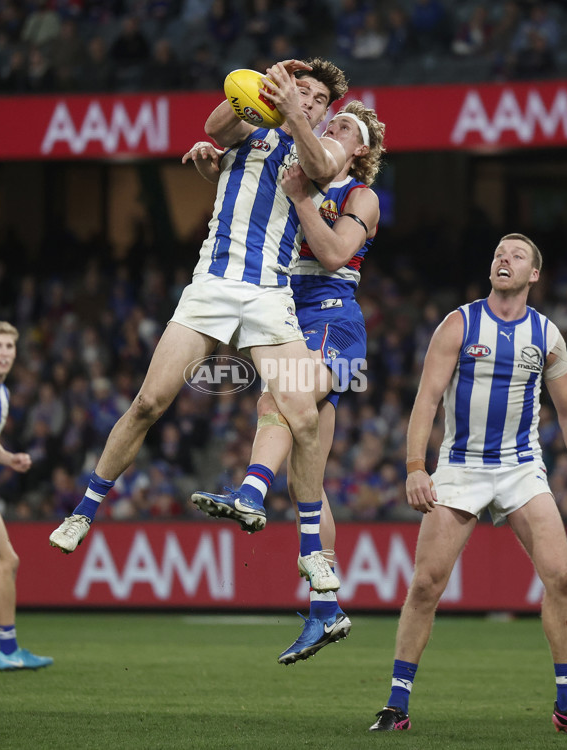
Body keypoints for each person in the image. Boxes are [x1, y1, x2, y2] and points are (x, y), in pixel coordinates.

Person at [49, 58, 349, 595]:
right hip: (210, 285)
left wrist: (293, 112)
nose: (305, 100)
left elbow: (320, 168)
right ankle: (84, 510)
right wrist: (263, 86)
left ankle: (311, 552)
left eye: (318, 99)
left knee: (303, 419)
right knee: (148, 402)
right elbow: (215, 127)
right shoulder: (252, 125)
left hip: (267, 293)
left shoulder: (324, 150)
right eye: (299, 90)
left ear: (328, 111)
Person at [188, 100, 384, 663]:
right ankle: (326, 609)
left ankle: (250, 493)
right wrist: (210, 163)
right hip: (287, 315)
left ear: (361, 150)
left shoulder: (358, 196)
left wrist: (302, 197)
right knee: (309, 476)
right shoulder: (292, 170)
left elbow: (332, 251)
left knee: (280, 396)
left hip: (332, 321)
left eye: (346, 127)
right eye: (332, 121)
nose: (333, 126)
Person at [369, 234, 567, 733]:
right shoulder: (459, 324)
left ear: (534, 276)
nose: (504, 258)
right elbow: (426, 399)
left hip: (522, 467)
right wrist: (416, 465)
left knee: (564, 579)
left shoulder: (547, 336)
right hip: (461, 467)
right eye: (499, 253)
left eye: (517, 255)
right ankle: (397, 705)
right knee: (425, 584)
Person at [0, 321, 53, 671]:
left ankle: (9, 650)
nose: (5, 352)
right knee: (6, 560)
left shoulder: (0, 393)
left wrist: (8, 458)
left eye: (9, 346)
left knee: (4, 561)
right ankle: (8, 651)